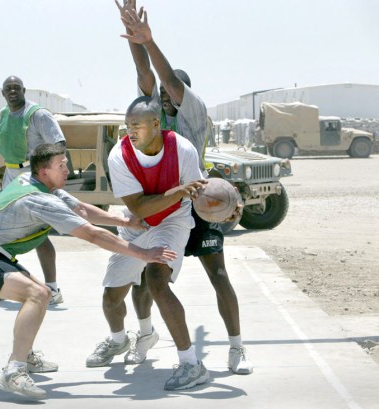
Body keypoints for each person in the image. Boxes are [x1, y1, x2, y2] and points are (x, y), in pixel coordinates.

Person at [0, 143, 177, 399]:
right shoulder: (40, 199)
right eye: (61, 165)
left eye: (65, 163)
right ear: (44, 170)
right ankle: (14, 371)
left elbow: (81, 209)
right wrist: (143, 253)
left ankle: (24, 356)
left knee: (42, 295)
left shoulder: (36, 183)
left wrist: (124, 221)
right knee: (36, 294)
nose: (67, 169)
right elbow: (91, 234)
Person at [116, 0, 253, 375]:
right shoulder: (153, 118)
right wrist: (134, 39)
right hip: (162, 208)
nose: (164, 97)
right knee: (147, 279)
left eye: (170, 93)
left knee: (218, 276)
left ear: (183, 94)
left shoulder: (193, 111)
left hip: (196, 205)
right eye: (161, 95)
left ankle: (237, 347)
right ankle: (145, 335)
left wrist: (151, 41)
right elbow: (145, 76)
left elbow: (167, 80)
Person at [85, 96, 210, 391]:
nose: (131, 132)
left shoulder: (182, 148)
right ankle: (118, 340)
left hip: (173, 222)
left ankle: (191, 364)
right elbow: (139, 208)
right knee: (111, 296)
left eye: (137, 125)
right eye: (128, 126)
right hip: (136, 222)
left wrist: (228, 203)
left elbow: (200, 192)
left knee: (156, 281)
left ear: (156, 124)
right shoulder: (119, 155)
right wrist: (177, 190)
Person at [0, 75, 66, 304]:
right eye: (8, 88)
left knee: (36, 232)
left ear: (24, 90)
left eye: (16, 87)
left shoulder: (38, 114)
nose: (12, 91)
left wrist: (51, 177)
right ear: (3, 92)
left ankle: (53, 289)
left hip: (33, 176)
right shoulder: (2, 115)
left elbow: (58, 144)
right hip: (10, 176)